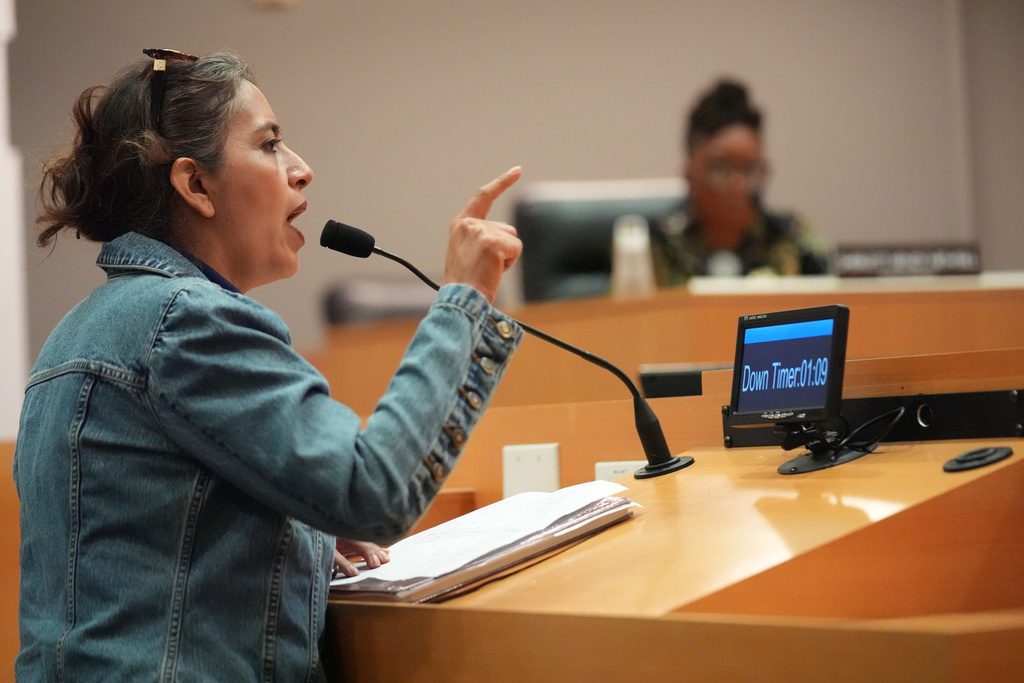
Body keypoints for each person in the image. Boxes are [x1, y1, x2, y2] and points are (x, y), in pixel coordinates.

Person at [14, 49, 524, 681]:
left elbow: (144, 541)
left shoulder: (80, 330)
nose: (302, 170)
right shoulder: (189, 320)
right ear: (196, 185)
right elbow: (375, 492)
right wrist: (463, 304)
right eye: (270, 144)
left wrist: (299, 537)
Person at [650, 78, 829, 285]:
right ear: (688, 172)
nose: (738, 186)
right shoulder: (656, 245)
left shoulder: (792, 239)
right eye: (720, 169)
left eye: (750, 169)